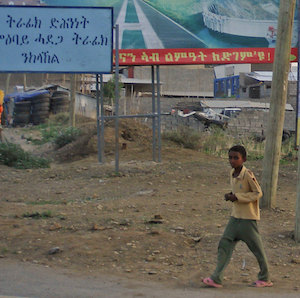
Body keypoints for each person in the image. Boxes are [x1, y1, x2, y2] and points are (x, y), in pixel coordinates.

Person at [203, 145, 273, 288]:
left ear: (244, 159)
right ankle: (216, 278)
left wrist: (237, 197)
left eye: (236, 158)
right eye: (230, 157)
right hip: (235, 218)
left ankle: (265, 278)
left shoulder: (247, 174)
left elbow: (257, 193)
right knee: (224, 244)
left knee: (257, 249)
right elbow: (237, 191)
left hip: (247, 220)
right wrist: (230, 195)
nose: (232, 160)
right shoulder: (232, 173)